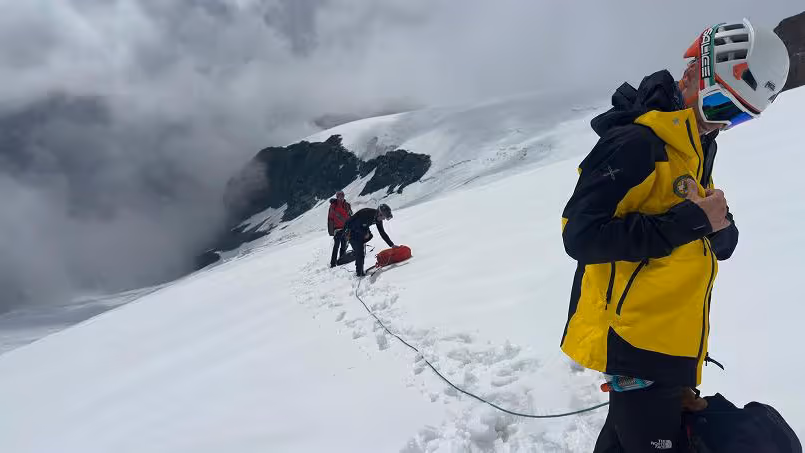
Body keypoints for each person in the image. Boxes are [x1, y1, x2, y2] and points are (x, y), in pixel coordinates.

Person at [558, 19, 789, 453]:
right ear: (693, 74)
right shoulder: (635, 144)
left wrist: (720, 230)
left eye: (738, 117)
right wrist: (693, 222)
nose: (722, 125)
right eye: (721, 107)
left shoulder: (696, 145)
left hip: (675, 343)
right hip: (636, 343)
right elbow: (581, 236)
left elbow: (690, 225)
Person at [343, 204, 396, 277]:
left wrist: (392, 245)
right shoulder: (367, 214)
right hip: (351, 230)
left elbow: (382, 232)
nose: (383, 219)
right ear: (380, 214)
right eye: (383, 217)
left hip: (360, 229)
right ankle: (359, 273)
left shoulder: (378, 219)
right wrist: (364, 233)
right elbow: (354, 226)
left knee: (368, 237)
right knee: (360, 252)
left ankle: (357, 252)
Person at [327, 191, 353, 268]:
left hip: (345, 228)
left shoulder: (347, 205)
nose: (341, 198)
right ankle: (333, 263)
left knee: (343, 245)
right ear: (337, 197)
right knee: (336, 246)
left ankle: (342, 260)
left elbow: (350, 216)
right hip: (337, 229)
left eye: (342, 196)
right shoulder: (333, 206)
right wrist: (331, 231)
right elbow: (330, 219)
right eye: (339, 196)